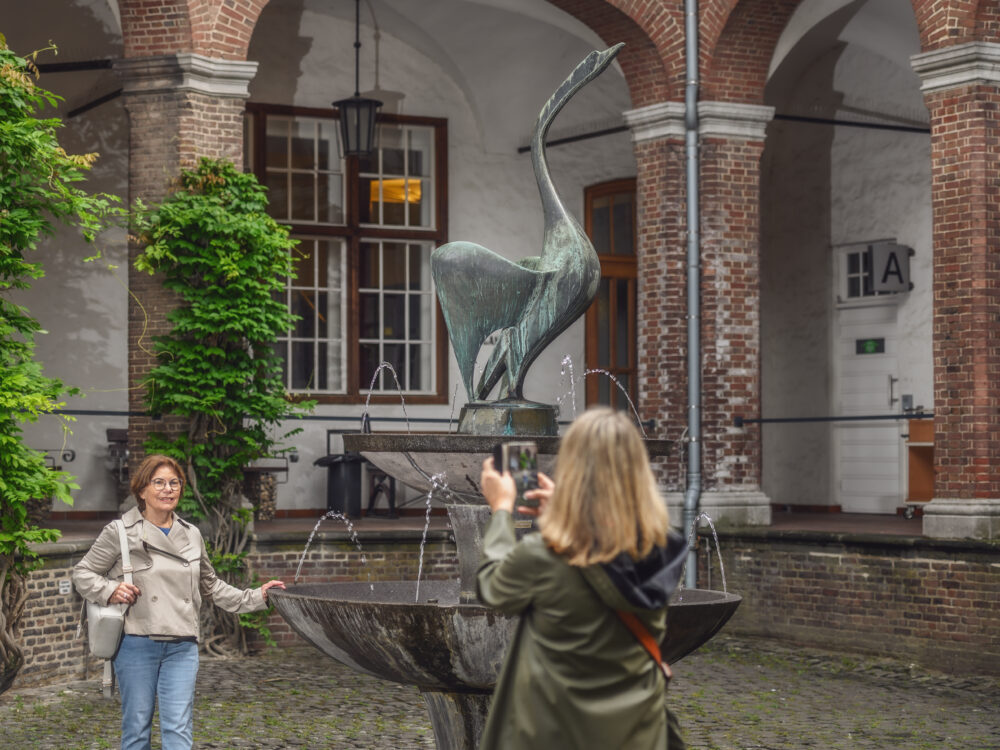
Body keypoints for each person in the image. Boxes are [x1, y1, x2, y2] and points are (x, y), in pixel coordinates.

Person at [477, 407, 687, 749]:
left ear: (572, 470)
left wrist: (501, 510)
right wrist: (565, 513)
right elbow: (608, 546)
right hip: (636, 735)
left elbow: (491, 585)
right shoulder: (662, 548)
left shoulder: (542, 556)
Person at [73, 454, 286, 750]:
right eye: (158, 482)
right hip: (136, 643)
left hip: (182, 646)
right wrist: (110, 589)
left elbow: (211, 586)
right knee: (136, 729)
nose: (167, 489)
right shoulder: (120, 532)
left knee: (179, 729)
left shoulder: (191, 534)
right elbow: (82, 574)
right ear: (142, 490)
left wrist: (257, 597)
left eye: (174, 483)